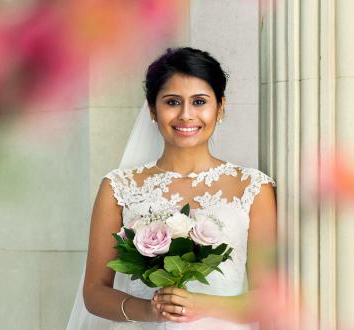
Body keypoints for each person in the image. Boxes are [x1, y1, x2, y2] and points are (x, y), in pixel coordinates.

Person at [67, 46, 277, 329]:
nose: (186, 115)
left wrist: (202, 306)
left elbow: (268, 298)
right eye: (172, 102)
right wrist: (150, 310)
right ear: (153, 109)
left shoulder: (252, 187)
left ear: (221, 106)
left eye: (200, 101)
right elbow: (94, 292)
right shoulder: (118, 187)